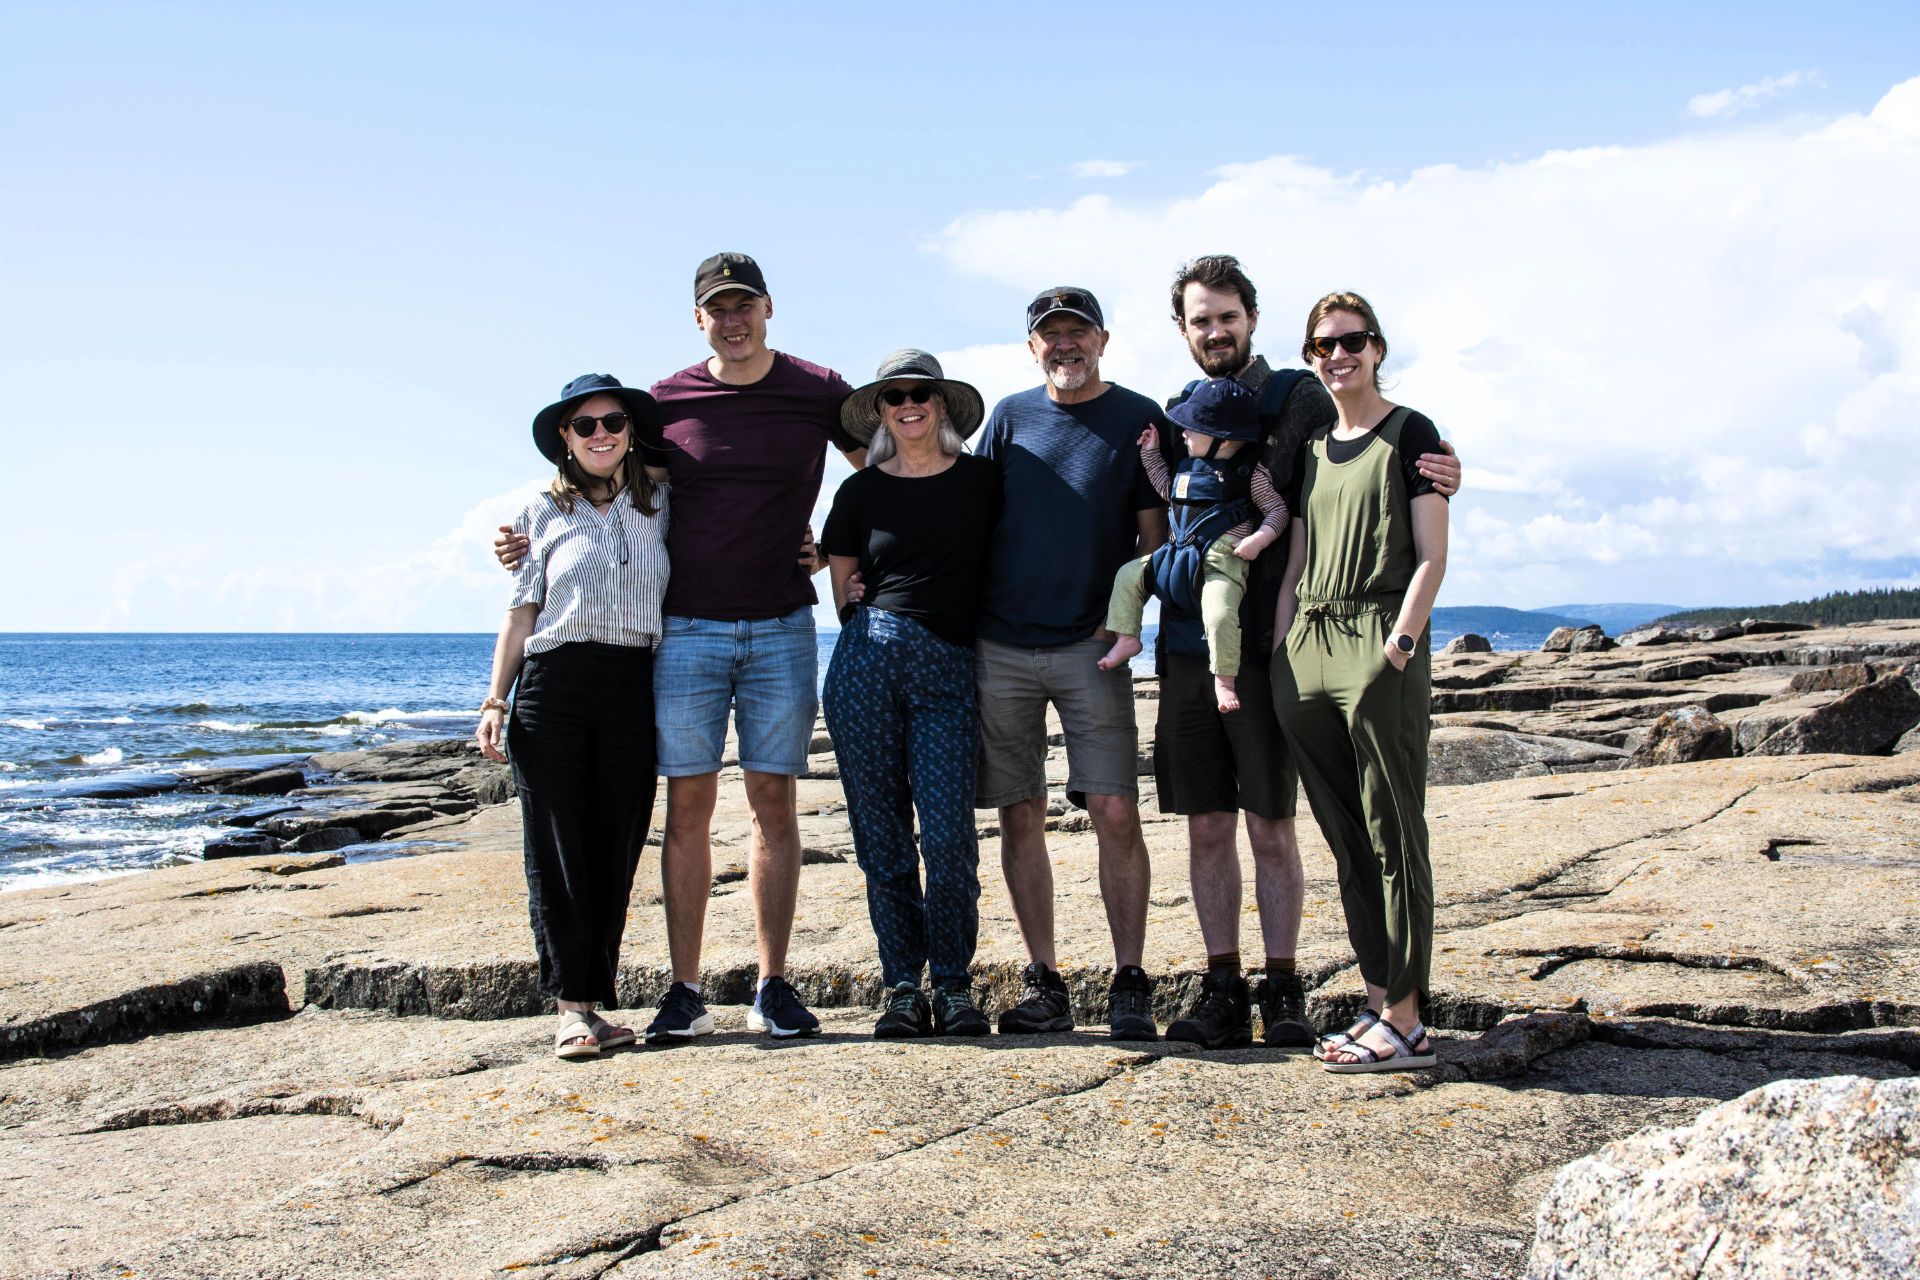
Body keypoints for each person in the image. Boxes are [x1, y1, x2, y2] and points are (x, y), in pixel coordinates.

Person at [496, 253, 864, 1045]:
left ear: (769, 308)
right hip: (685, 629)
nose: (732, 321)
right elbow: (600, 477)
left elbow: (880, 471)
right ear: (699, 319)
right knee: (687, 807)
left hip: (781, 627)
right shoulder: (661, 402)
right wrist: (525, 538)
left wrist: (832, 547)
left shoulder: (818, 388)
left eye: (744, 306)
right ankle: (685, 988)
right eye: (716, 309)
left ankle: (772, 985)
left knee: (774, 805)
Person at [1150, 256, 1461, 1051]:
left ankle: (1292, 990)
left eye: (1227, 316)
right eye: (1199, 319)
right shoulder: (1175, 414)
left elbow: (1386, 451)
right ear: (1182, 330)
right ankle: (1225, 987)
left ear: (1251, 318)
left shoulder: (1306, 397)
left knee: (1278, 824)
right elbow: (1147, 518)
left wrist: (1443, 468)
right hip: (1204, 647)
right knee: (1210, 825)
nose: (1214, 331)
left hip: (1292, 644)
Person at [972, 287, 1168, 1040]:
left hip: (1094, 649)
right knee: (1020, 811)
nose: (1064, 346)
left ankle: (1129, 982)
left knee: (1114, 808)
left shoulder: (1138, 417)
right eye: (1049, 336)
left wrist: (1126, 621)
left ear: (1103, 340)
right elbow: (974, 515)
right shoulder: (1010, 417)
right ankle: (1045, 982)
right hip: (1002, 645)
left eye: (1076, 333)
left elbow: (1156, 540)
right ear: (1031, 347)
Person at [1271, 291, 1449, 1073]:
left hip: (1379, 642)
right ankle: (1378, 1000)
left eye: (1350, 342)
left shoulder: (1413, 435)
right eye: (1322, 347)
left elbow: (1433, 556)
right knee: (1347, 841)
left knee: (1394, 836)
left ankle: (1408, 1021)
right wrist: (1281, 652)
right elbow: (1299, 558)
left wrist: (1399, 649)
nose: (1337, 357)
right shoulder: (1309, 448)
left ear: (1377, 348)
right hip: (1307, 646)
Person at [476, 374, 671, 1059]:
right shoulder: (539, 513)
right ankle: (570, 1010)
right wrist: (496, 699)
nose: (600, 434)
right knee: (558, 851)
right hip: (553, 686)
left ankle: (595, 1005)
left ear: (629, 430)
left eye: (612, 421)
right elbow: (522, 612)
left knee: (615, 846)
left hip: (633, 682)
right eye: (584, 425)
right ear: (564, 437)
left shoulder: (663, 501)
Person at [820, 350, 1000, 1038]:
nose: (908, 404)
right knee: (883, 838)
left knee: (951, 839)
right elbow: (843, 583)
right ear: (883, 411)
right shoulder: (861, 491)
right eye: (895, 396)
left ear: (943, 404)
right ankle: (902, 985)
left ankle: (952, 985)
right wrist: (856, 608)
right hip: (866, 662)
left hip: (950, 669)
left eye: (921, 392)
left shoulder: (985, 481)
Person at [1098, 377, 1287, 713]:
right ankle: (1127, 636)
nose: (1183, 433)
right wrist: (1151, 452)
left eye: (1191, 428)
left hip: (1222, 565)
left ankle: (1224, 678)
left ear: (1224, 439)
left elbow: (1277, 511)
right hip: (1177, 555)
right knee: (1128, 575)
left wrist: (1259, 540)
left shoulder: (1248, 474)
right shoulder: (1185, 467)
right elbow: (1164, 488)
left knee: (1218, 614)